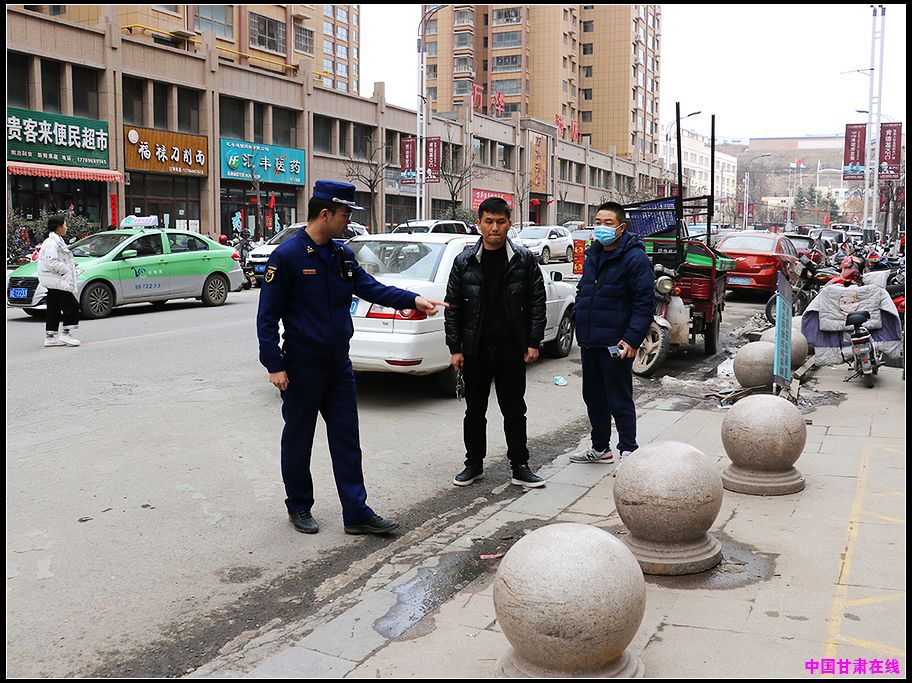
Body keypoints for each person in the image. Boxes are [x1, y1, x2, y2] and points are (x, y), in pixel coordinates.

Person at [257, 180, 447, 536]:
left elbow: (371, 287)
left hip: (338, 366)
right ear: (325, 214)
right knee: (298, 439)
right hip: (302, 366)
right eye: (345, 214)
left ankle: (356, 512)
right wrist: (274, 365)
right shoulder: (287, 257)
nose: (349, 221)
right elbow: (267, 316)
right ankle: (299, 506)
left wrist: (413, 300)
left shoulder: (341, 255)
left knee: (347, 440)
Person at [445, 196, 547, 489]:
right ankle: (473, 464)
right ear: (478, 223)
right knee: (474, 411)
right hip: (475, 349)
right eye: (488, 221)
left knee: (514, 410)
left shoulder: (523, 260)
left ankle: (520, 466)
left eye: (500, 222)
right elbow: (453, 307)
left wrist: (533, 341)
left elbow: (537, 302)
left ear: (509, 224)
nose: (494, 228)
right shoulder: (464, 261)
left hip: (511, 348)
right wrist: (455, 348)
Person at [569, 201, 653, 475]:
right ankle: (600, 447)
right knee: (593, 396)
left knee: (619, 398)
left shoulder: (635, 258)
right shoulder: (594, 253)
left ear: (621, 227)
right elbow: (584, 290)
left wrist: (632, 339)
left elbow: (643, 303)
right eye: (598, 222)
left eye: (608, 223)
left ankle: (628, 450)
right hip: (590, 338)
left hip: (616, 343)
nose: (601, 228)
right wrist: (579, 318)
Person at [38, 215, 81, 348]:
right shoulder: (52, 242)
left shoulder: (56, 240)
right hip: (57, 280)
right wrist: (65, 269)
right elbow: (51, 261)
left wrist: (71, 263)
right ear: (58, 227)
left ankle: (50, 337)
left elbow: (59, 258)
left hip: (54, 281)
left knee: (54, 308)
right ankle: (65, 334)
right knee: (72, 305)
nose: (66, 227)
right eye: (65, 225)